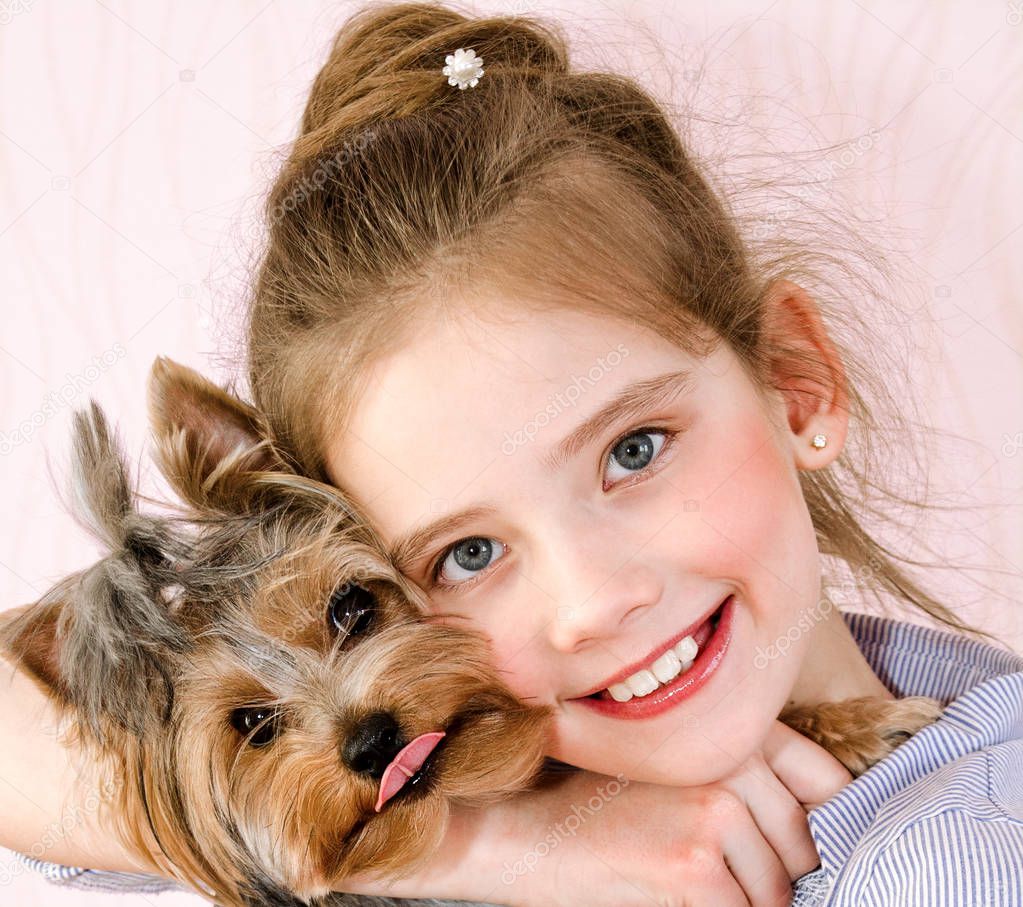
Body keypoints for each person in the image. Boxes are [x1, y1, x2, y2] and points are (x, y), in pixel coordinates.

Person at [3, 3, 1021, 905]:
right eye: (467, 555)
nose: (592, 601)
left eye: (634, 448)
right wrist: (504, 844)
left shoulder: (954, 854)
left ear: (796, 380)